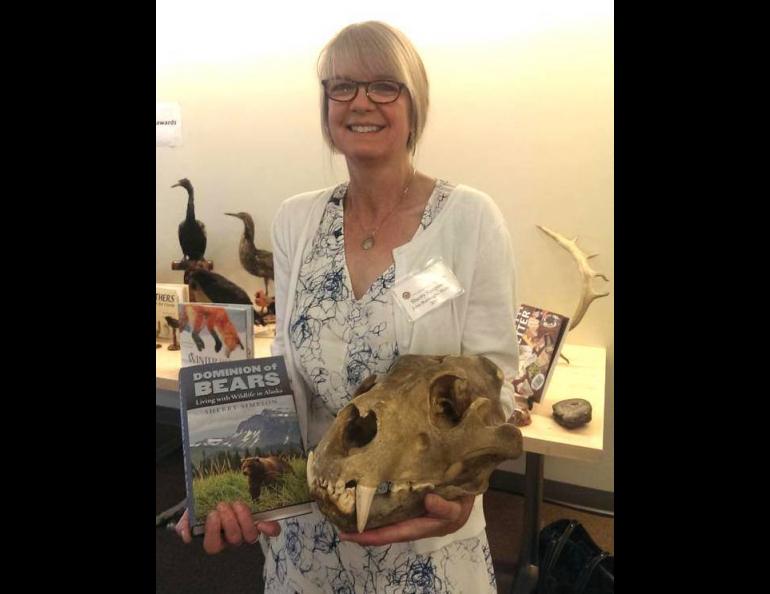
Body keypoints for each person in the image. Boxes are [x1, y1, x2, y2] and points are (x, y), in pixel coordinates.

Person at [177, 20, 524, 593]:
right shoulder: (297, 219)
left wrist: (462, 494)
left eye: (384, 85)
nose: (361, 101)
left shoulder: (471, 219)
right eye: (342, 87)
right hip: (311, 534)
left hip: (426, 540)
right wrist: (230, 482)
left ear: (415, 103)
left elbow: (496, 383)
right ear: (326, 107)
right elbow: (286, 369)